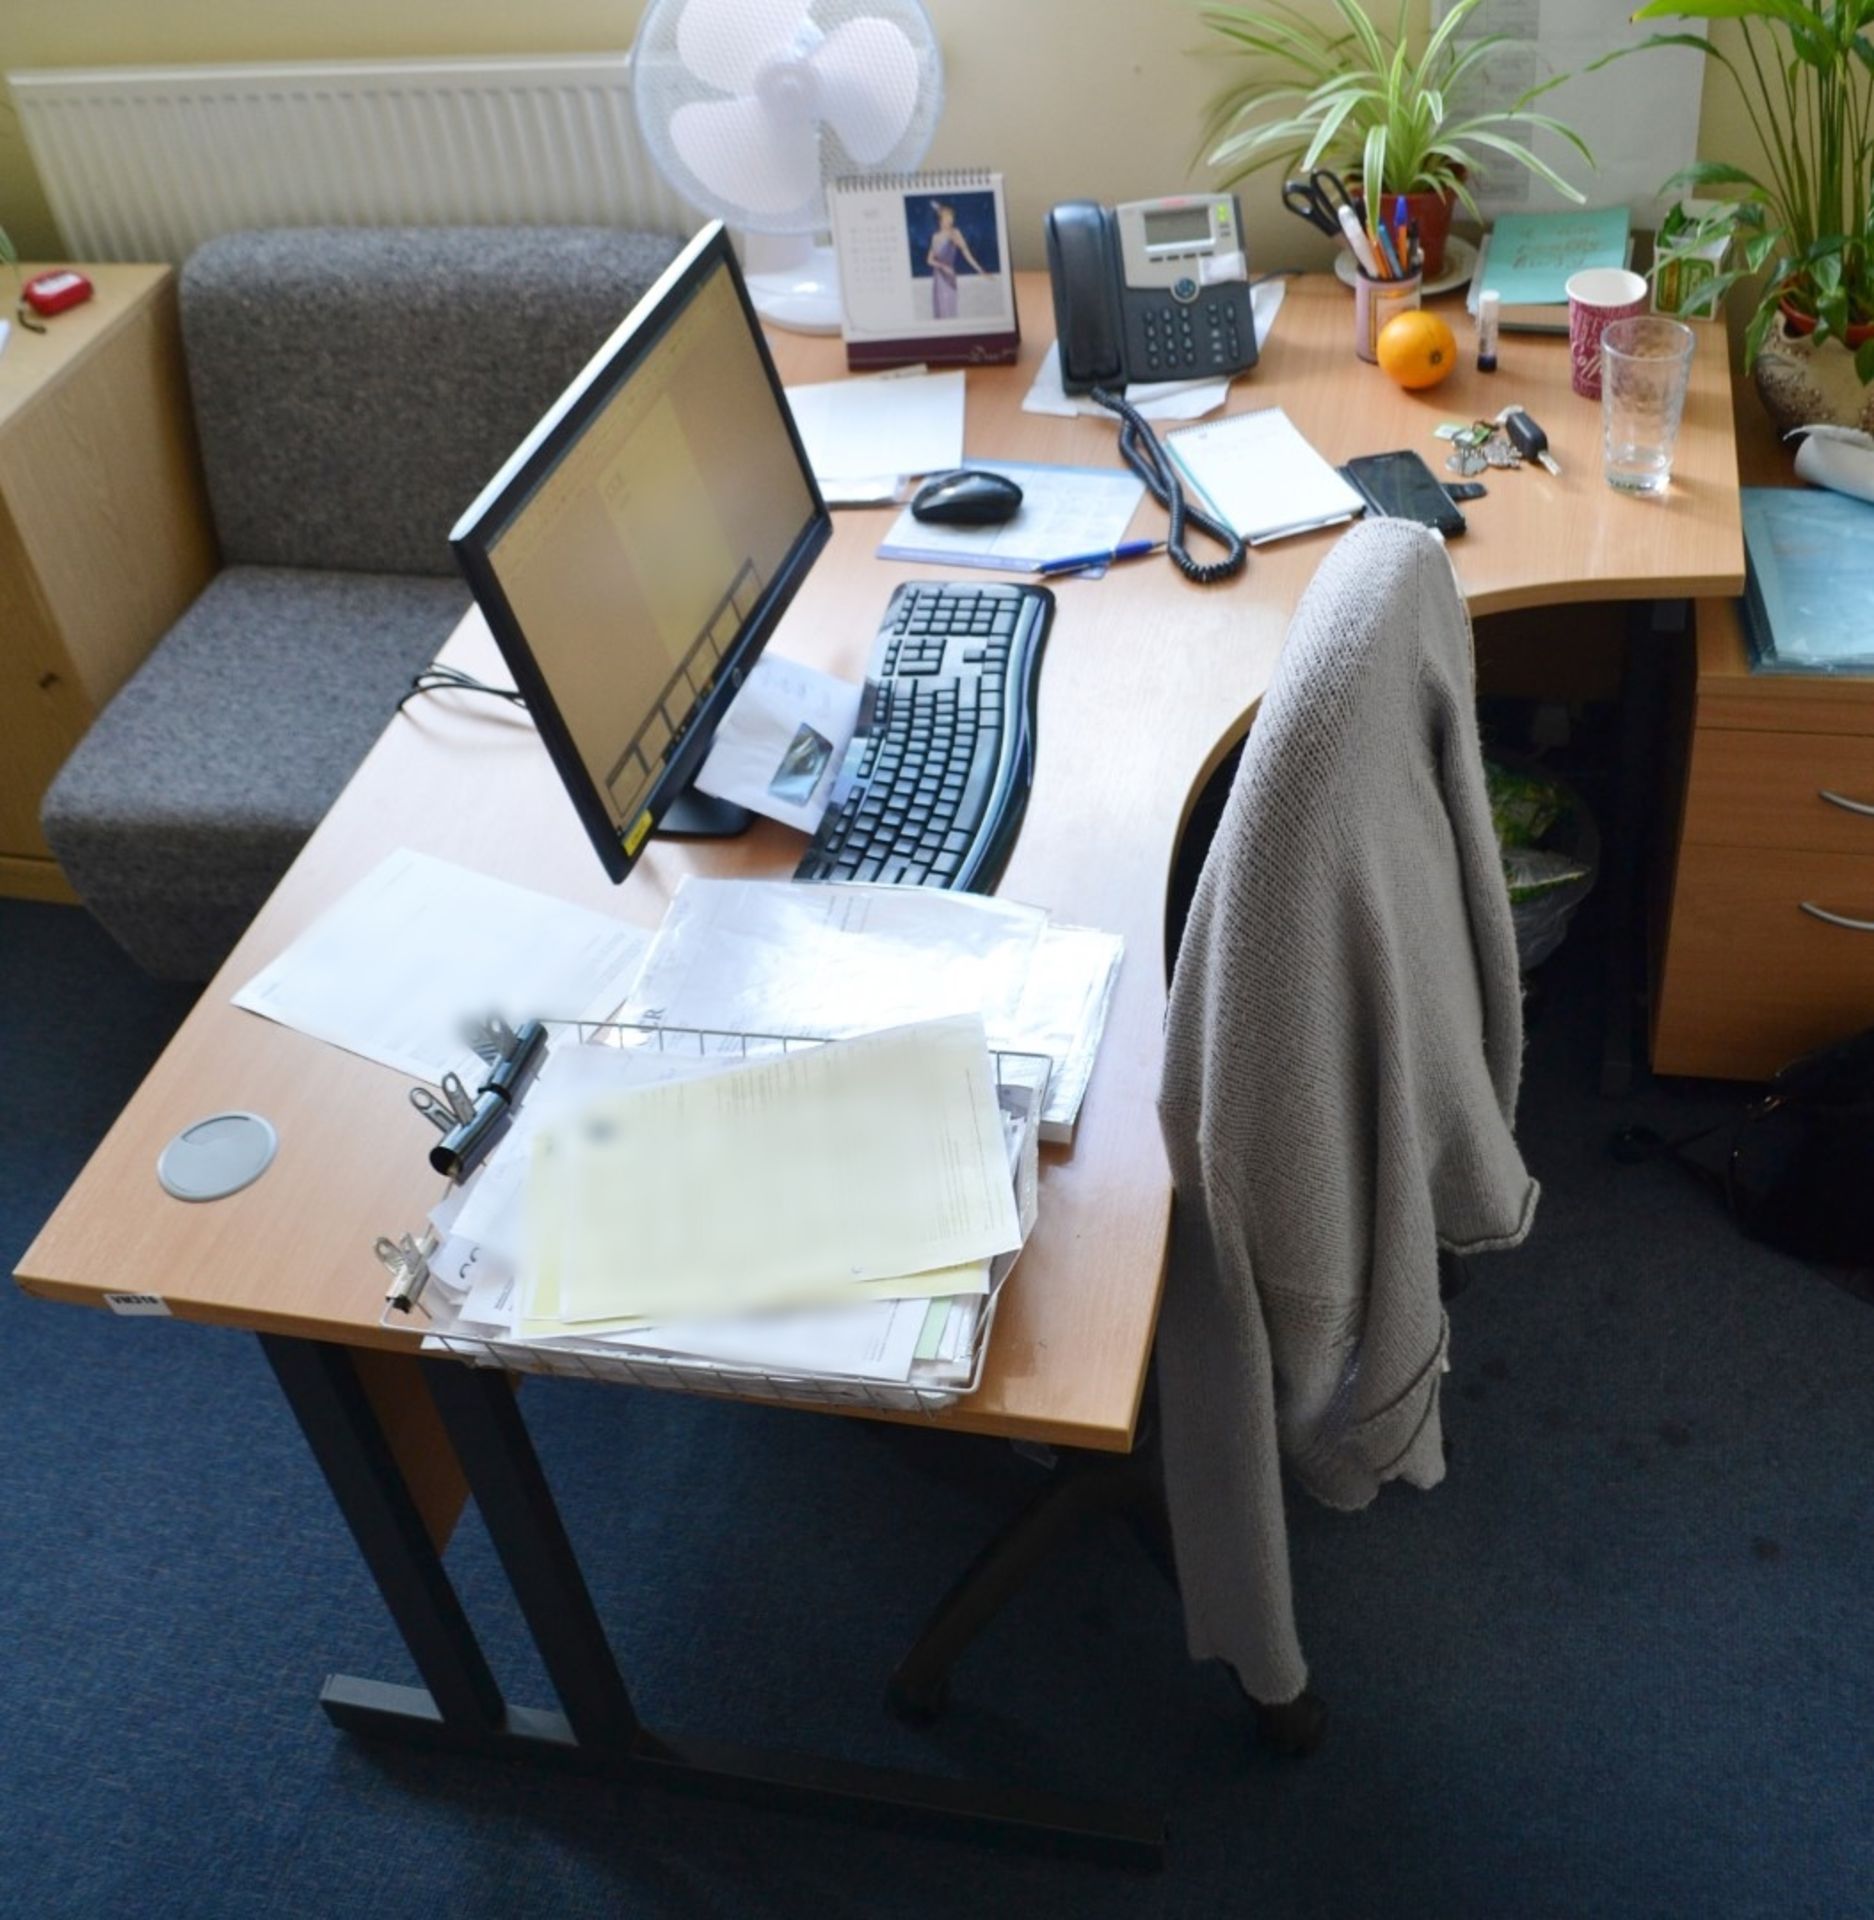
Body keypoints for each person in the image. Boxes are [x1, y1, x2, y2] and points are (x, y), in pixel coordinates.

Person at [926, 202, 985, 319]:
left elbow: (967, 253)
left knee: (949, 309)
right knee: (940, 310)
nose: (950, 220)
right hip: (938, 277)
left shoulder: (955, 233)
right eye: (947, 217)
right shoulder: (935, 237)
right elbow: (929, 260)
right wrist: (942, 266)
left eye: (951, 217)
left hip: (949, 277)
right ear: (940, 219)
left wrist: (980, 269)